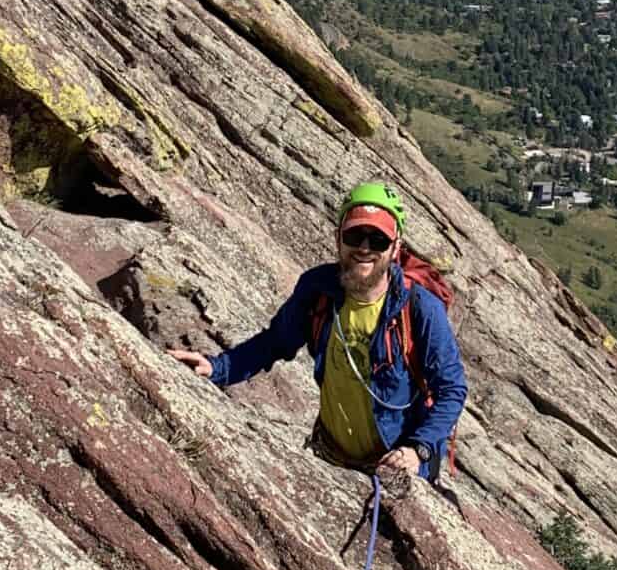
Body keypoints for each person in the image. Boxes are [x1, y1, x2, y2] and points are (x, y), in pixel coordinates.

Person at [169, 180, 468, 483]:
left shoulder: (418, 307)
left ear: (395, 248)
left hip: (394, 461)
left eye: (377, 239)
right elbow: (274, 342)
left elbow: (451, 389)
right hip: (329, 452)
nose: (364, 248)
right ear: (338, 238)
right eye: (354, 235)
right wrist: (217, 367)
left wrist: (418, 451)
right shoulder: (318, 288)